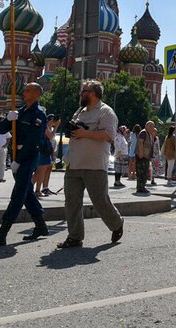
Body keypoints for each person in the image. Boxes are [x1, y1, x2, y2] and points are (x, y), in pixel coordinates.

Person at [57, 80, 124, 248]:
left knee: (100, 201)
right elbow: (76, 132)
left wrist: (85, 133)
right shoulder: (79, 111)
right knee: (71, 202)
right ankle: (75, 237)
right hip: (74, 162)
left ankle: (116, 223)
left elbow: (109, 135)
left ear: (93, 93)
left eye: (83, 91)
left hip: (94, 164)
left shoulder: (106, 112)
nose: (81, 94)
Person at [0, 84, 49, 244]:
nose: (24, 92)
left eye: (28, 90)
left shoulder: (38, 114)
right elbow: (1, 130)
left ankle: (2, 233)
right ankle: (41, 225)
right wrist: (8, 119)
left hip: (28, 156)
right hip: (16, 155)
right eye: (24, 89)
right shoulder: (20, 111)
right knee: (26, 192)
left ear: (37, 94)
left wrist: (19, 161)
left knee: (19, 193)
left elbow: (33, 140)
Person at [34, 114, 59, 197]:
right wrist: (56, 127)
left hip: (46, 152)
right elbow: (50, 137)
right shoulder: (43, 126)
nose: (54, 122)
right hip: (42, 151)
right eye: (53, 120)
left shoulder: (47, 127)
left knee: (41, 171)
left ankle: (39, 188)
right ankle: (35, 190)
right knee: (39, 172)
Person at [135, 121, 157, 194]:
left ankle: (142, 187)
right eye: (152, 126)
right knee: (141, 172)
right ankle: (140, 188)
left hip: (146, 156)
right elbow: (140, 142)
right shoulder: (143, 132)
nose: (153, 128)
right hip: (142, 156)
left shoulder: (149, 134)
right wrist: (141, 153)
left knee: (145, 172)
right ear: (148, 126)